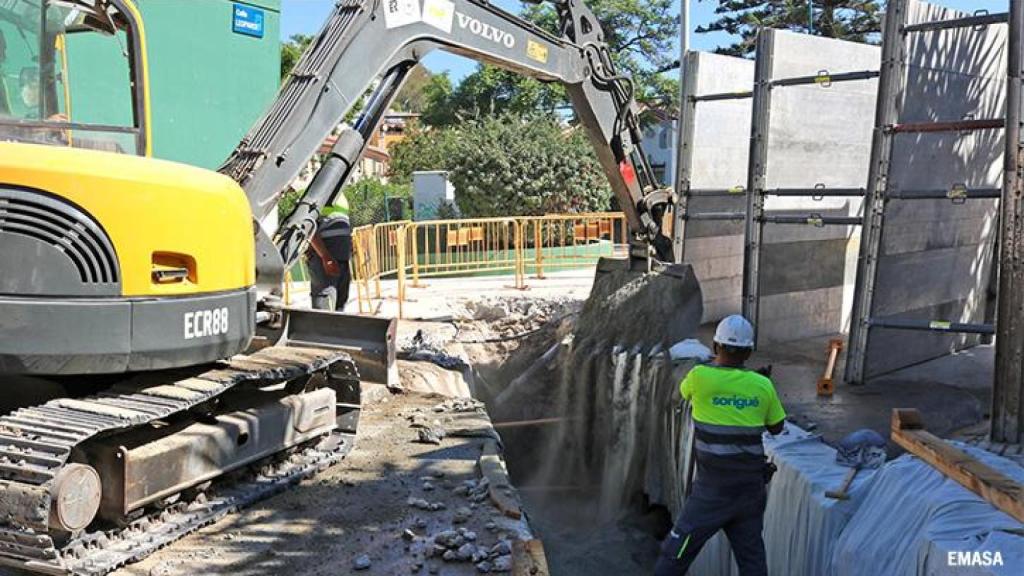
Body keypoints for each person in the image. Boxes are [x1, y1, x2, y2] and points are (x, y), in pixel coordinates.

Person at [654, 315, 786, 576]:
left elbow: (677, 396)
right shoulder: (763, 385)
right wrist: (753, 392)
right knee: (752, 562)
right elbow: (777, 427)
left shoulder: (699, 376)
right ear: (749, 351)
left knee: (675, 553)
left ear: (715, 347)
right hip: (750, 492)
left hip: (711, 492)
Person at [306, 193, 352, 311]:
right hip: (325, 260)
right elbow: (308, 226)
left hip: (342, 258)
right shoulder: (319, 192)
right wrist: (325, 256)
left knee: (340, 304)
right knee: (325, 303)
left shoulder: (339, 193)